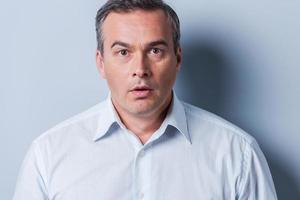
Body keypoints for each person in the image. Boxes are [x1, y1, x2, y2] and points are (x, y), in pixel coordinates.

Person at [13, 0, 278, 199]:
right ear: (101, 62)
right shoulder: (48, 155)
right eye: (123, 52)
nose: (140, 68)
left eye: (155, 50)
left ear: (177, 59)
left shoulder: (237, 154)